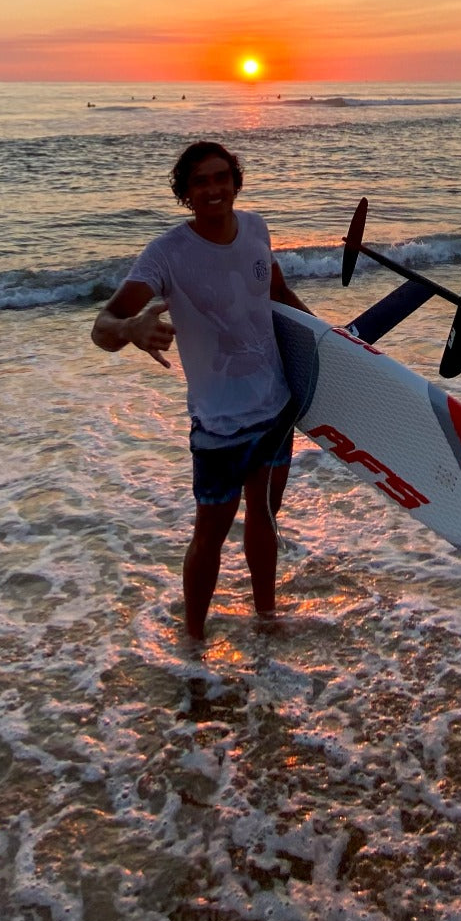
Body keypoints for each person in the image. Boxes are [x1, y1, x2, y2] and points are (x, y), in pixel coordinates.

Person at [91, 141, 310, 641]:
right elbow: (102, 325)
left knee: (266, 517)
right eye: (200, 183)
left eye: (220, 178)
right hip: (219, 421)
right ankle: (194, 637)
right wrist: (131, 332)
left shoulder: (256, 228)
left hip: (276, 407)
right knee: (209, 534)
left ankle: (266, 617)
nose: (213, 189)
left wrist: (325, 340)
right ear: (186, 195)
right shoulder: (167, 254)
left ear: (235, 181)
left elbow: (276, 294)